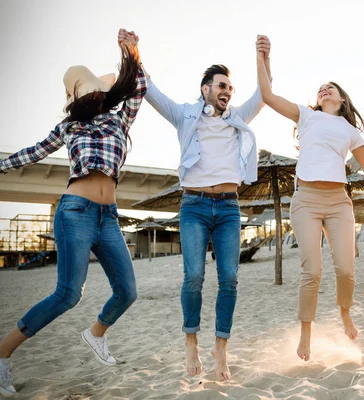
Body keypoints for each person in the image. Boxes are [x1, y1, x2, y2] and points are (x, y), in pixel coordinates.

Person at [117, 29, 269, 380]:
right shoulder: (184, 115)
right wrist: (132, 51)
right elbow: (150, 88)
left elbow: (264, 94)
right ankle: (190, 342)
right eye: (221, 85)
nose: (227, 91)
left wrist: (263, 56)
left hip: (229, 208)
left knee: (229, 278)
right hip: (194, 207)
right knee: (195, 276)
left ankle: (221, 349)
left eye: (230, 87)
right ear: (206, 89)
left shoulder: (238, 118)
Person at [0, 37, 146, 396]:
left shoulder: (119, 121)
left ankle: (96, 334)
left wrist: (131, 51)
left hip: (107, 216)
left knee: (127, 291)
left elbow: (139, 87)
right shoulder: (68, 128)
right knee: (68, 294)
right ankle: (2, 353)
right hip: (74, 212)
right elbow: (33, 152)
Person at [256, 35, 364, 361]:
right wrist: (262, 57)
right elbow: (267, 94)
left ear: (342, 99)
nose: (324, 88)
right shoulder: (306, 116)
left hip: (338, 202)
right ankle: (306, 333)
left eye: (331, 86)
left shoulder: (351, 131)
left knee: (346, 269)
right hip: (305, 200)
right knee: (313, 271)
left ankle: (345, 311)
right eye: (321, 87)